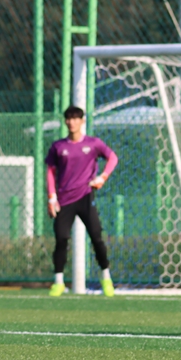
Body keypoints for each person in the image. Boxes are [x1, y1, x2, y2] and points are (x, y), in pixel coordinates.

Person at [46, 106, 118, 297]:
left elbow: (112, 158)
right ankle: (58, 282)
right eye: (69, 119)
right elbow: (51, 172)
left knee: (96, 237)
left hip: (86, 197)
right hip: (64, 200)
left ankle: (106, 278)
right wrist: (52, 197)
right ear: (65, 121)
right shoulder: (58, 147)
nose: (72, 122)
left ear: (82, 121)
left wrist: (103, 177)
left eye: (76, 118)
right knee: (61, 238)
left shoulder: (93, 144)